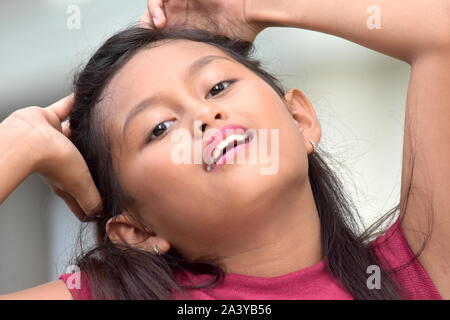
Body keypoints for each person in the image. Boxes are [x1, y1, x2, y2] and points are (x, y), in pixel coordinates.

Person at [0, 0, 449, 300]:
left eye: (217, 86)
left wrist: (251, 6)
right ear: (136, 232)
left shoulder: (412, 273)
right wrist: (17, 144)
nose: (202, 116)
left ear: (300, 120)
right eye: (159, 127)